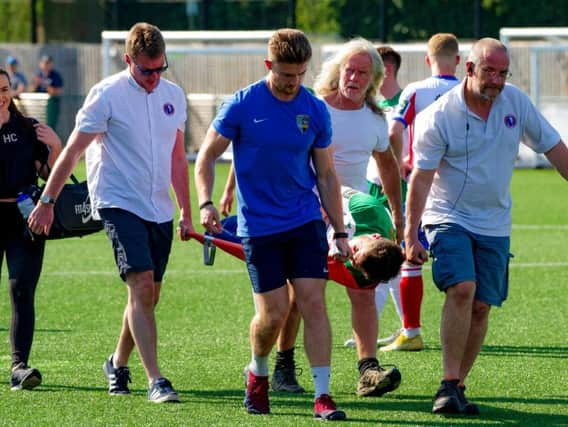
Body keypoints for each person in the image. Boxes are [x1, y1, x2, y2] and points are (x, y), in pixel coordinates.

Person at [28, 22, 193, 403]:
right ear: (128, 61)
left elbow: (176, 158)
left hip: (159, 207)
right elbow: (72, 152)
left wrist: (186, 209)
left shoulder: (173, 96)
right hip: (118, 202)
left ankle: (117, 362)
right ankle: (156, 379)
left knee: (149, 294)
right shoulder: (106, 95)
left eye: (159, 69)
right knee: (140, 284)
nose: (154, 78)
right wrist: (48, 201)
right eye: (145, 70)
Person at [405, 37, 568, 415]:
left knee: (481, 306)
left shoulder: (515, 102)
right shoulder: (439, 115)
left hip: (495, 222)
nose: (495, 80)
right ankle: (446, 383)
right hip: (448, 215)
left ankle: (458, 386)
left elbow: (555, 149)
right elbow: (421, 179)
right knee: (462, 288)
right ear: (469, 69)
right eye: (488, 71)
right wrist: (410, 232)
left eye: (502, 72)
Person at [195, 28, 350, 421]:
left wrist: (341, 230)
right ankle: (258, 372)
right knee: (273, 314)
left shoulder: (314, 109)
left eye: (299, 74)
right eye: (284, 74)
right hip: (259, 227)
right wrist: (206, 202)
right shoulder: (242, 105)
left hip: (304, 221)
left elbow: (327, 175)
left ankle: (323, 394)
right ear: (269, 65)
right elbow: (206, 156)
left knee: (313, 304)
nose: (292, 82)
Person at [313, 37, 403, 397]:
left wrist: (398, 215)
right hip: (306, 212)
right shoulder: (315, 107)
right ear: (338, 70)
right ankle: (284, 364)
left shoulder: (376, 119)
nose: (353, 78)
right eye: (349, 69)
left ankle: (367, 370)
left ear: (374, 79)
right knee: (302, 296)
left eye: (362, 73)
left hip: (351, 214)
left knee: (364, 293)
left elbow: (388, 166)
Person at [380, 33, 461, 353]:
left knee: (410, 256)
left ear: (428, 60)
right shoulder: (467, 90)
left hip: (423, 183)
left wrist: (399, 161)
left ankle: (411, 331)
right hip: (463, 187)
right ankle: (466, 328)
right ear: (458, 60)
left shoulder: (415, 90)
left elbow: (394, 130)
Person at [0, 68, 62, 390]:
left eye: (5, 89)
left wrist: (55, 147)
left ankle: (19, 366)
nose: (1, 96)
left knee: (22, 289)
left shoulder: (28, 128)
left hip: (25, 217)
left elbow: (50, 173)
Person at [30, 55, 64, 131]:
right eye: (44, 62)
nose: (45, 65)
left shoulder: (56, 76)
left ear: (51, 64)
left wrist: (44, 84)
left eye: (48, 63)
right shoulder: (37, 75)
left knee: (50, 128)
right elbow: (31, 90)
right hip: (38, 106)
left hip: (51, 106)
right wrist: (36, 84)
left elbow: (58, 91)